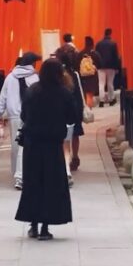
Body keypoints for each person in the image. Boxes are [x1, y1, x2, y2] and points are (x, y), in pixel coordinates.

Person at [15, 58, 80, 240]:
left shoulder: (32, 91)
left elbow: (24, 115)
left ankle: (33, 224)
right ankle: (45, 227)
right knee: (51, 184)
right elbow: (71, 117)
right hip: (52, 145)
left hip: (32, 144)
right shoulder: (64, 93)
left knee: (33, 183)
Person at [0, 52, 42, 190]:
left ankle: (17, 174)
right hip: (32, 117)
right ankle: (27, 173)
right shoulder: (36, 78)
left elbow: (3, 96)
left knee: (16, 146)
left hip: (14, 115)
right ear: (32, 64)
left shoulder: (10, 77)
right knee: (30, 146)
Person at [54, 42, 87, 174]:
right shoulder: (75, 74)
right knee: (75, 133)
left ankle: (63, 158)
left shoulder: (57, 75)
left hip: (60, 107)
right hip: (74, 106)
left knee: (62, 134)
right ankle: (75, 156)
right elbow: (78, 90)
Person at [96, 28, 121, 106]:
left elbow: (96, 55)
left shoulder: (98, 44)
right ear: (110, 34)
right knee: (110, 83)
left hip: (101, 66)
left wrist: (97, 65)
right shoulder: (113, 44)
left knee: (101, 84)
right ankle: (111, 99)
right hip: (111, 66)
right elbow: (115, 56)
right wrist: (117, 67)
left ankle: (101, 101)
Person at [78, 36, 103, 108]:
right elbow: (100, 64)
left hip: (83, 77)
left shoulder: (80, 53)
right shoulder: (95, 53)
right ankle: (89, 110)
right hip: (92, 76)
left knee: (87, 94)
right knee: (90, 95)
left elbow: (76, 64)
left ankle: (87, 108)